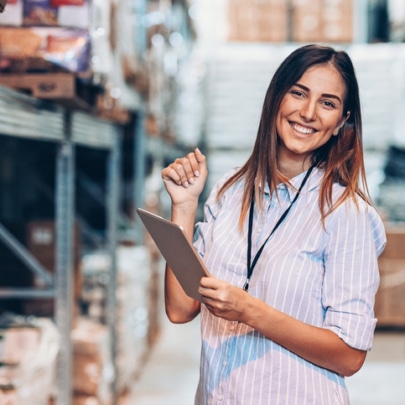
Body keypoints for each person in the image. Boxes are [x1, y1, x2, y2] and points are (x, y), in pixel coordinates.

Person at [161, 44, 386, 404]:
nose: (308, 112)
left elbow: (349, 356)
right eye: (298, 93)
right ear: (276, 98)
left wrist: (250, 310)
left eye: (327, 103)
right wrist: (184, 208)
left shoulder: (347, 215)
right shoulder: (228, 191)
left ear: (341, 122)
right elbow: (180, 308)